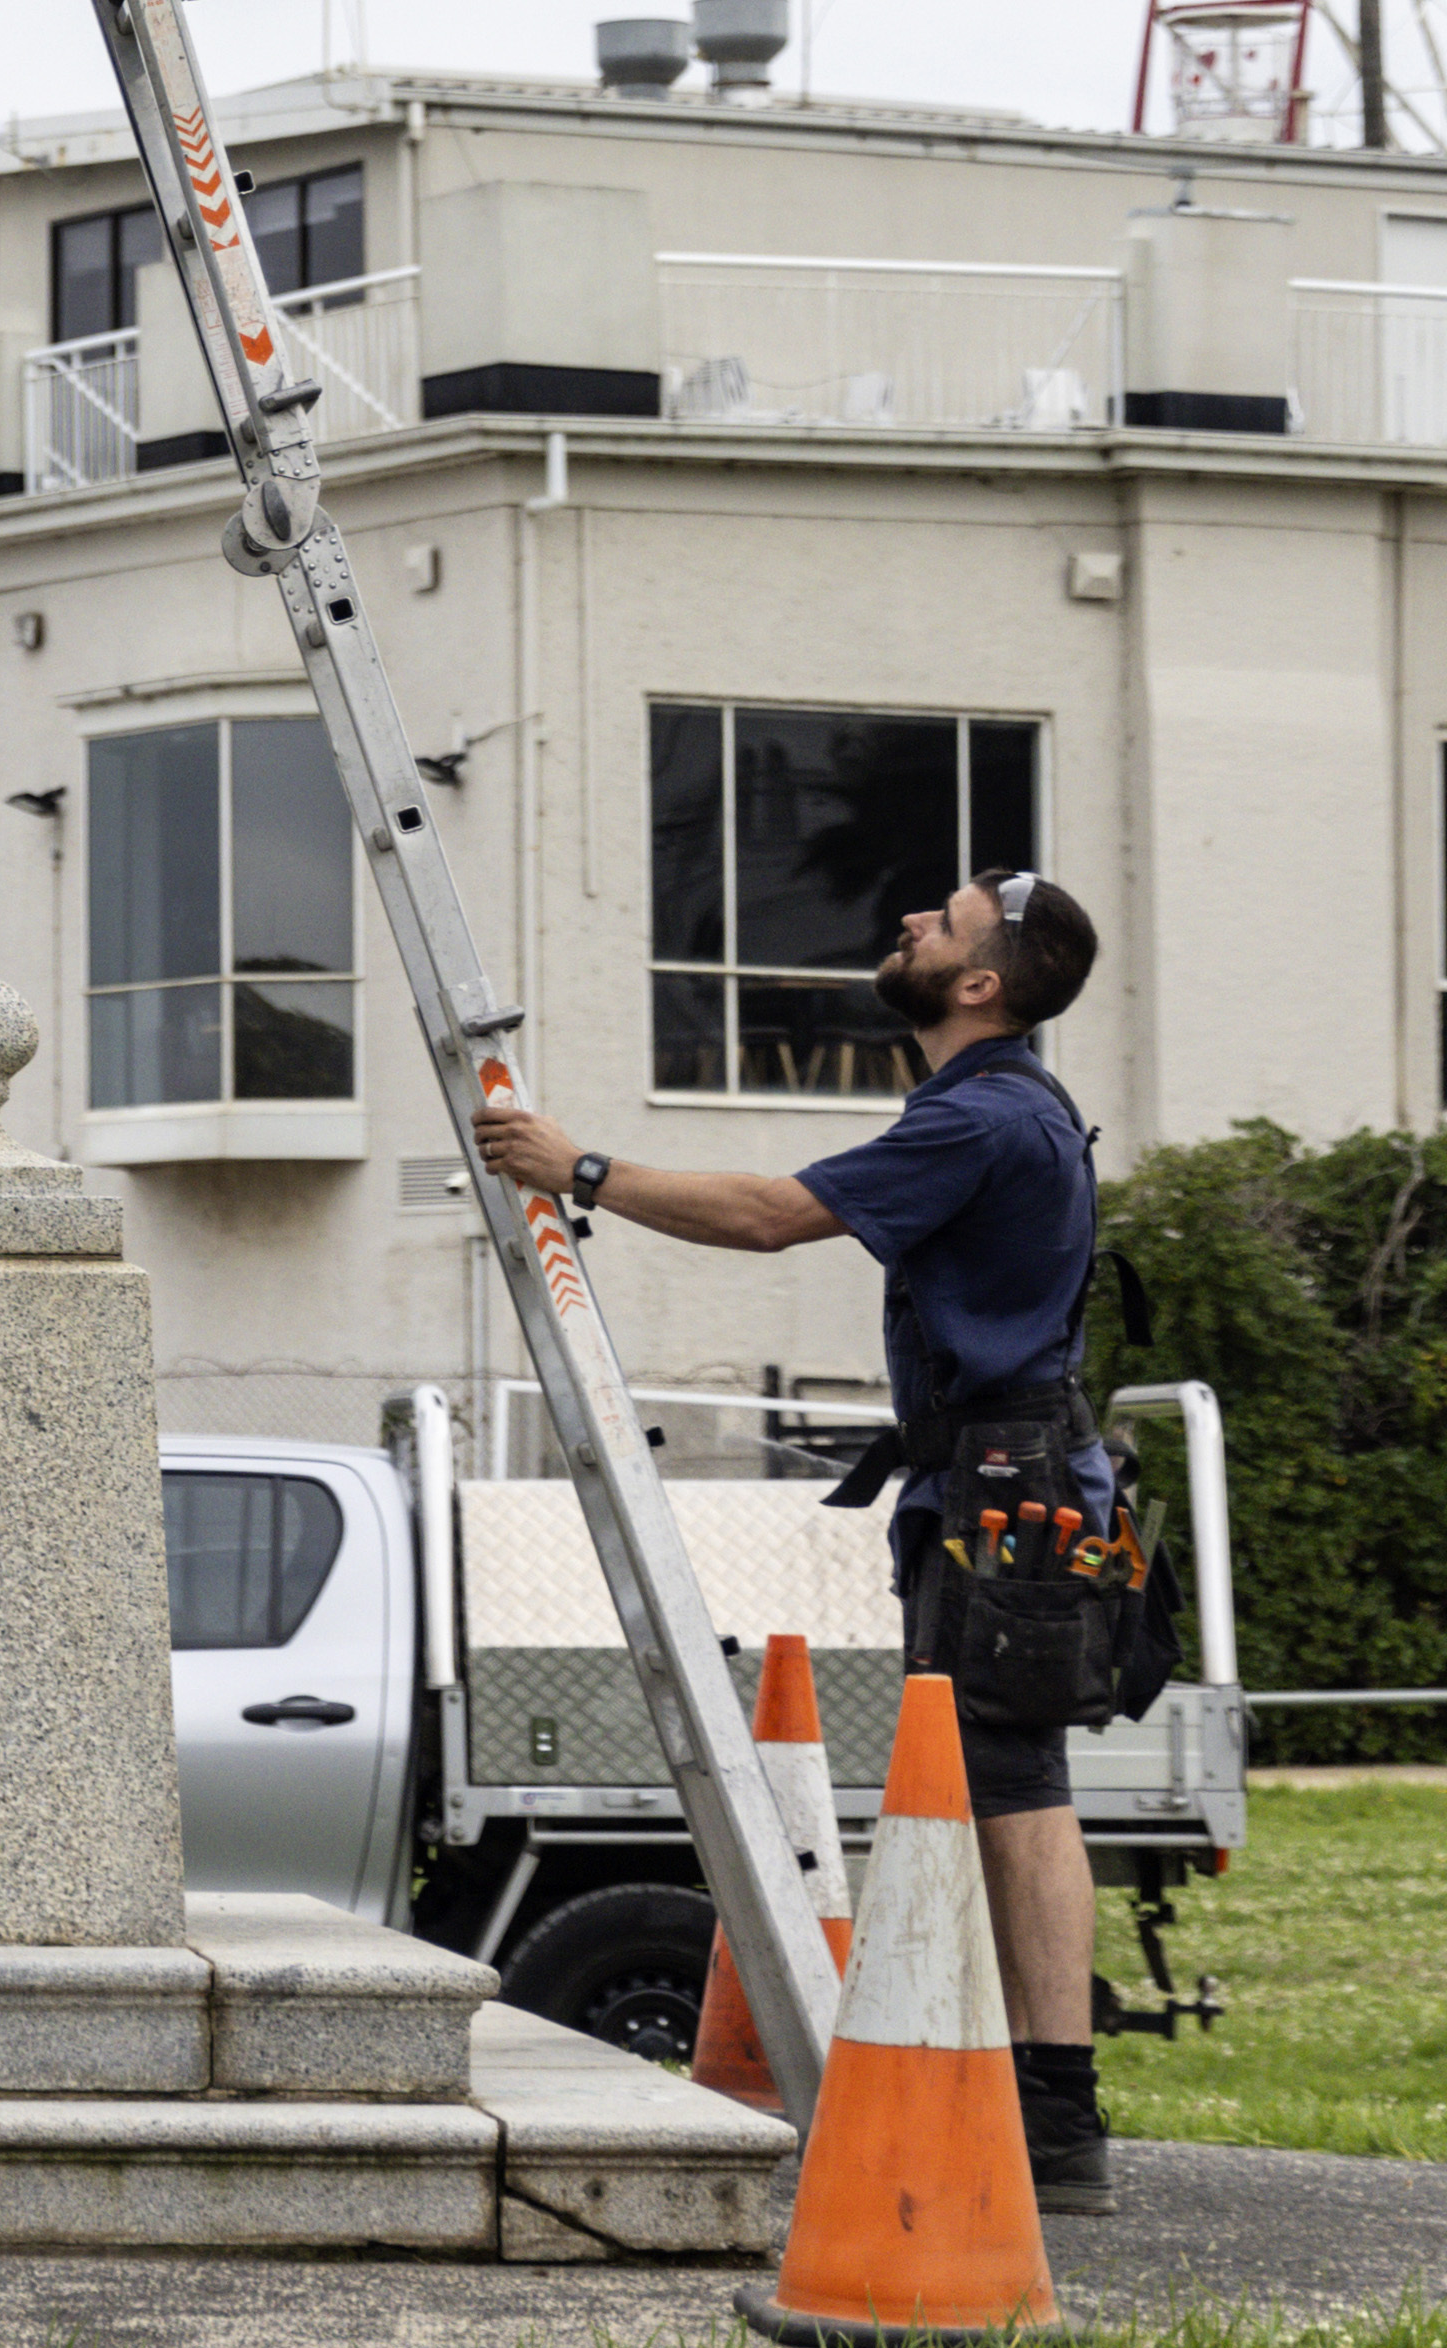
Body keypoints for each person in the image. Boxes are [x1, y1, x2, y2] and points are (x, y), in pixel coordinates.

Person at [470, 867, 1125, 2210]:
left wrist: (575, 1167)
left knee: (1007, 1777)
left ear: (980, 984)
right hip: (1002, 1475)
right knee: (1007, 1772)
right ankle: (1037, 2098)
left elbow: (773, 1216)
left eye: (938, 924)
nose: (907, 927)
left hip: (1007, 1484)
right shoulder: (994, 1107)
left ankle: (1056, 2119)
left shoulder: (987, 1115)